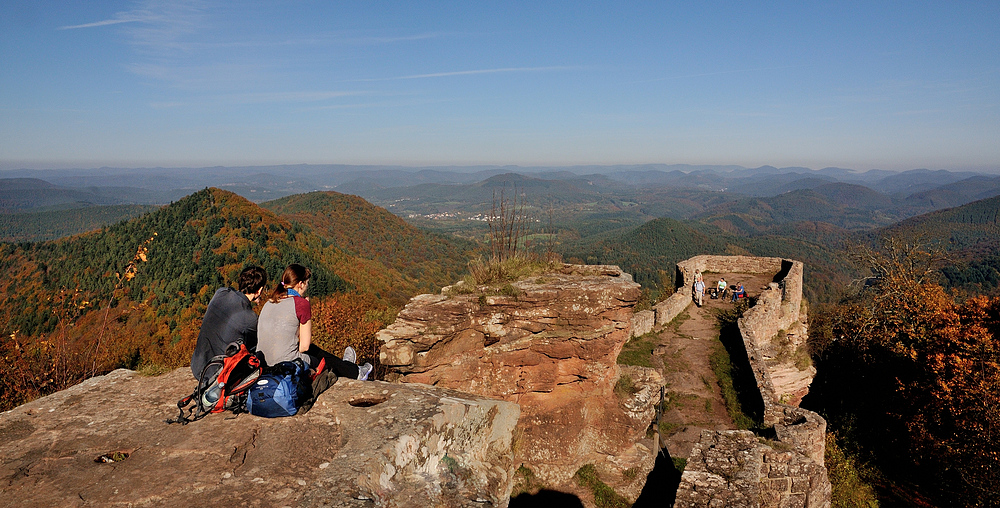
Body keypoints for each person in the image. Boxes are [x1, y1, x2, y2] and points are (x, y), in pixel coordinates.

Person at [257, 264, 373, 381]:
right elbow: (304, 347)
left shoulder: (270, 302)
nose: (307, 286)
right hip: (285, 363)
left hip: (262, 362)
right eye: (307, 283)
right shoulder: (301, 304)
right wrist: (305, 306)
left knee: (311, 350)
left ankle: (348, 366)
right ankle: (353, 371)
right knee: (318, 357)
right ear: (300, 284)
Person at [190, 265, 267, 383]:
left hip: (198, 365)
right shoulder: (250, 318)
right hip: (217, 376)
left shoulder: (221, 292)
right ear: (260, 290)